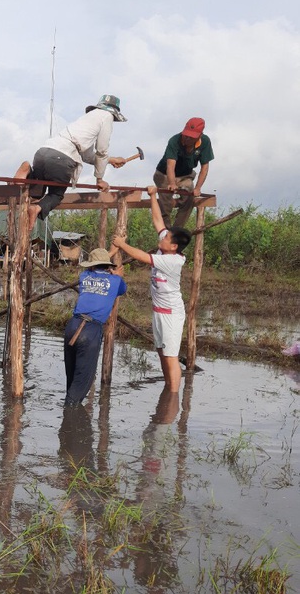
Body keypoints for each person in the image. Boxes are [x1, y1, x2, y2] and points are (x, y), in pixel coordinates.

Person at [113, 186, 192, 391]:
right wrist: (153, 196)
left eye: (166, 238)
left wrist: (121, 243)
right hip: (159, 312)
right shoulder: (166, 247)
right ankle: (168, 389)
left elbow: (141, 256)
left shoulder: (172, 261)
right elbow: (158, 221)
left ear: (174, 246)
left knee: (171, 356)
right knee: (161, 352)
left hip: (171, 314)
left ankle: (172, 396)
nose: (162, 238)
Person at [14, 95, 128, 231]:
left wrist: (111, 160)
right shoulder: (107, 117)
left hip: (43, 152)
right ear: (114, 113)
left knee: (36, 192)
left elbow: (87, 156)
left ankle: (28, 172)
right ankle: (36, 209)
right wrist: (100, 179)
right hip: (62, 159)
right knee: (56, 195)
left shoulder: (87, 120)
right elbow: (102, 150)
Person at [63, 247, 126, 405]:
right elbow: (122, 290)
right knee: (83, 379)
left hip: (73, 326)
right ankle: (70, 416)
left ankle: (69, 409)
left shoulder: (84, 276)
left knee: (71, 377)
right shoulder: (116, 281)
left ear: (91, 266)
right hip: (90, 331)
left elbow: (96, 268)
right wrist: (117, 275)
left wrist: (107, 255)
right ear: (108, 266)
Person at [152, 117, 214, 227]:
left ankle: (176, 231)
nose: (187, 138)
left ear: (199, 136)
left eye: (191, 137)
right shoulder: (174, 141)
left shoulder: (205, 142)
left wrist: (198, 188)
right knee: (165, 203)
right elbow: (170, 166)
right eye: (186, 135)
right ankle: (165, 232)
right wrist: (172, 183)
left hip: (185, 176)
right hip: (164, 174)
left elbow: (204, 167)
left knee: (189, 195)